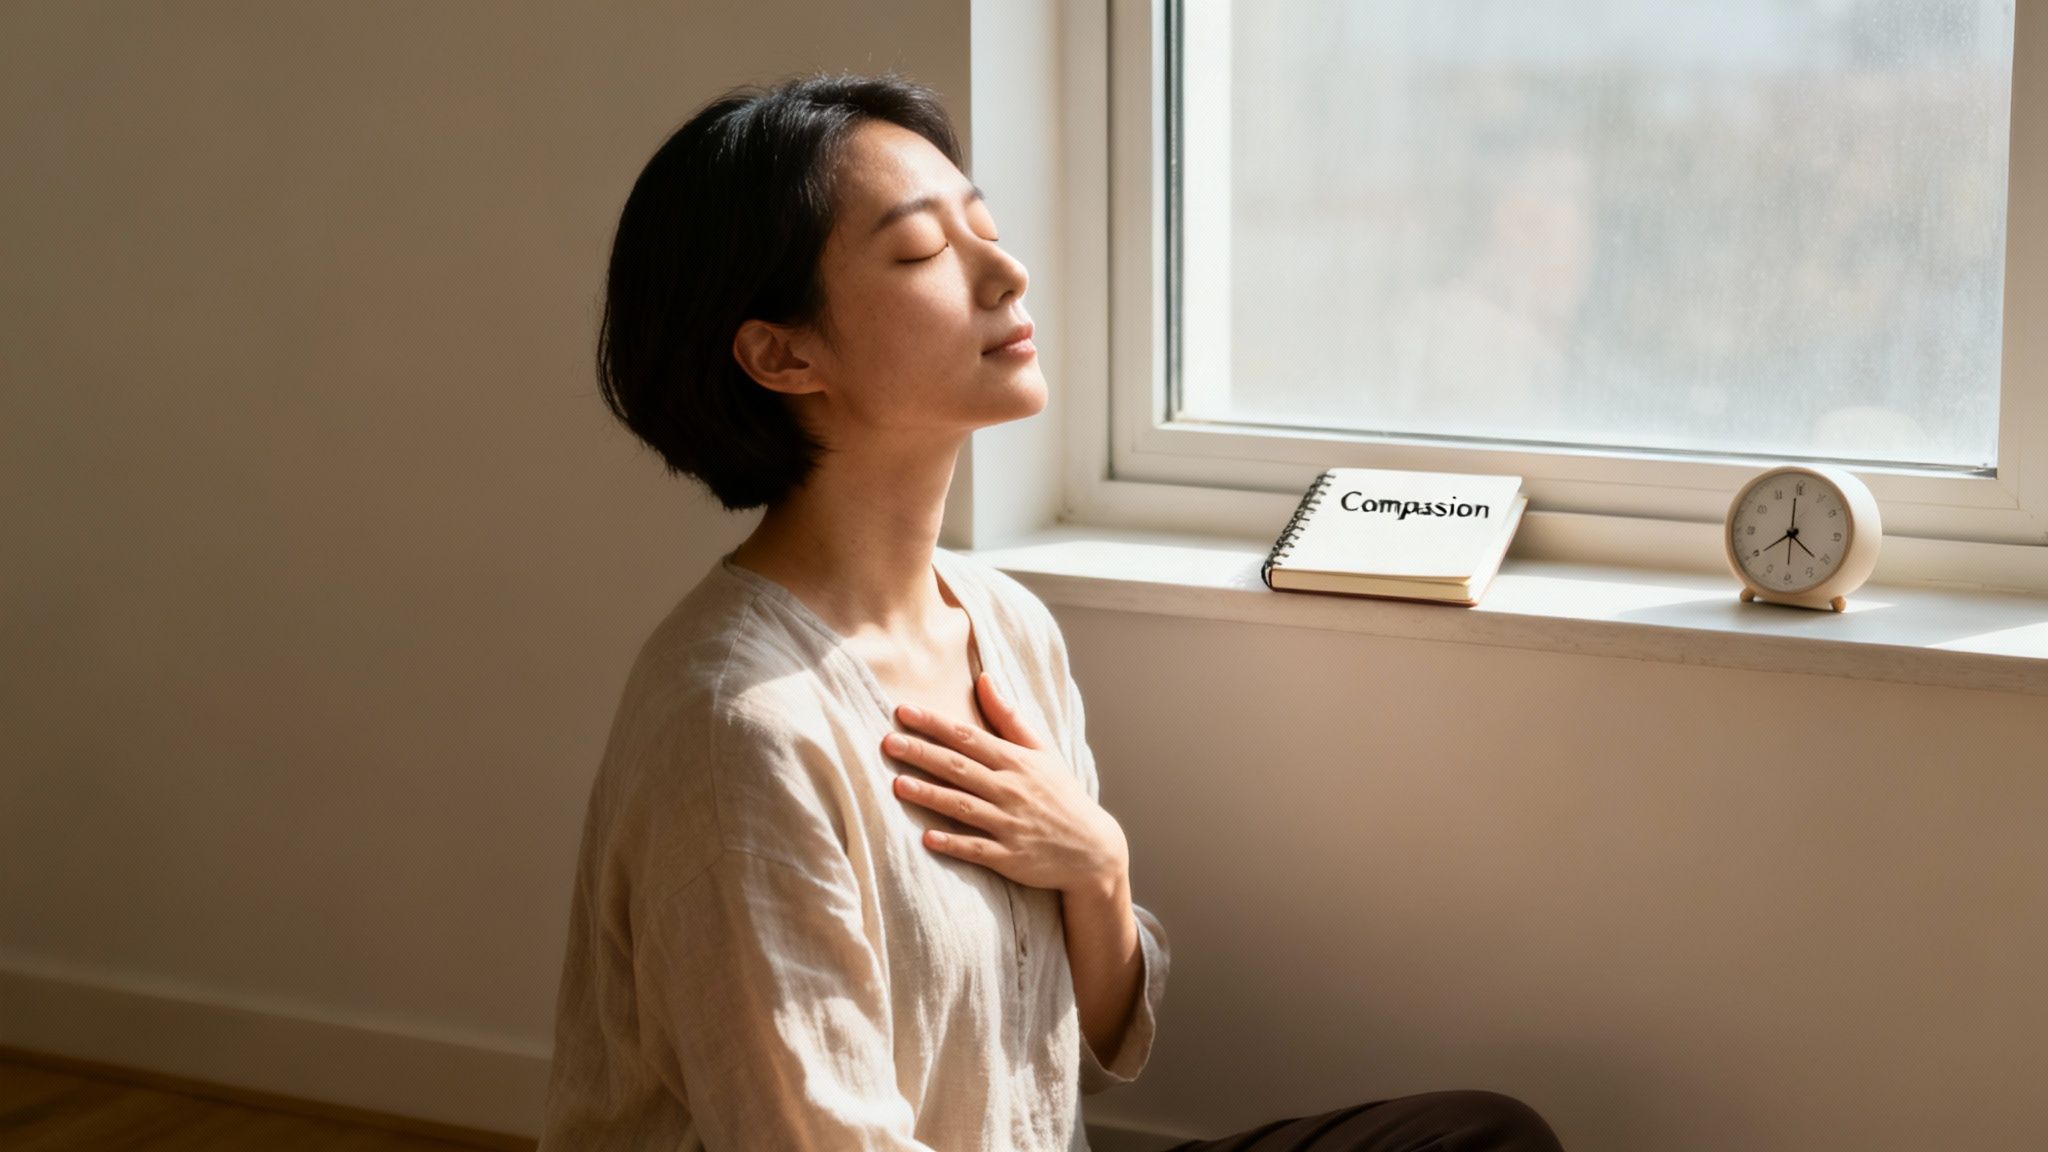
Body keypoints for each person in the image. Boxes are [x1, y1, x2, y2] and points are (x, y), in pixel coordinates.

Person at [535, 69, 1567, 1152]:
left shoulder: (1002, 624)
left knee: (1485, 1138)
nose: (1004, 270)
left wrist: (1095, 864)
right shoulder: (735, 729)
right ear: (782, 354)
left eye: (983, 225)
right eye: (924, 251)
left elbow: (1083, 1057)